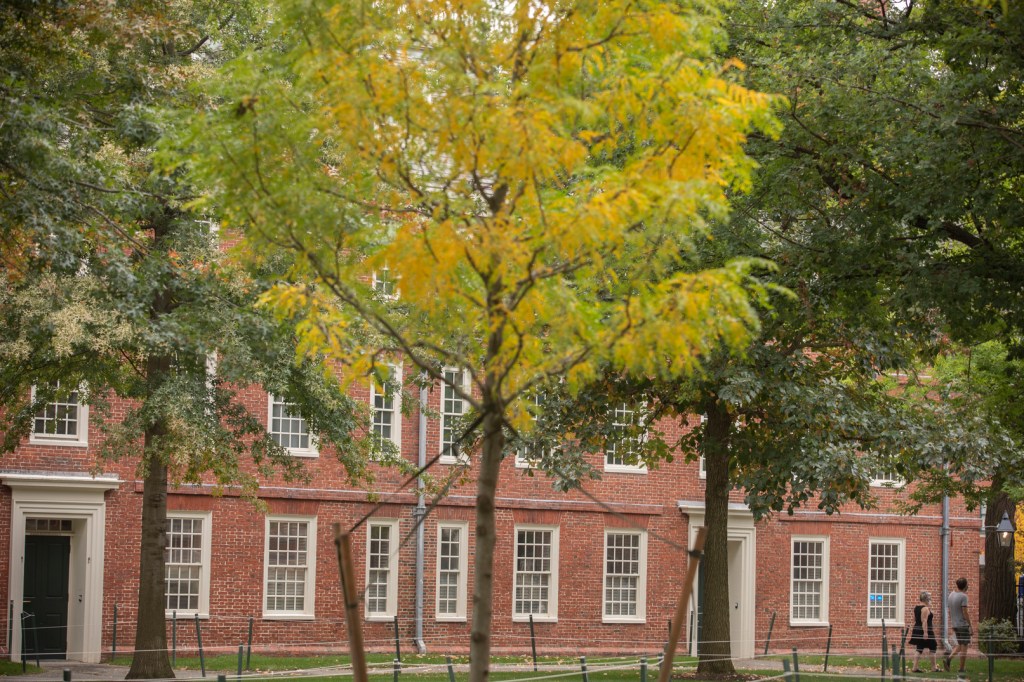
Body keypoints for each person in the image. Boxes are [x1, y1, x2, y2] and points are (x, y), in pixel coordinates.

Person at [946, 577, 972, 677]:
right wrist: (970, 625)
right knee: (964, 646)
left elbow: (949, 610)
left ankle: (949, 659)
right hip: (963, 625)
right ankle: (961, 668)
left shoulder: (951, 595)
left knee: (960, 645)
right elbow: (965, 612)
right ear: (965, 585)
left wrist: (953, 622)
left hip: (955, 624)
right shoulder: (963, 596)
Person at [909, 591, 939, 672]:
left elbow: (915, 619)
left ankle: (914, 668)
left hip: (918, 629)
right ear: (926, 599)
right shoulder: (925, 608)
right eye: (929, 598)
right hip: (925, 630)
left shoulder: (917, 607)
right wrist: (925, 633)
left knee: (919, 648)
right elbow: (924, 621)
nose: (930, 599)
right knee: (933, 647)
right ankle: (934, 668)